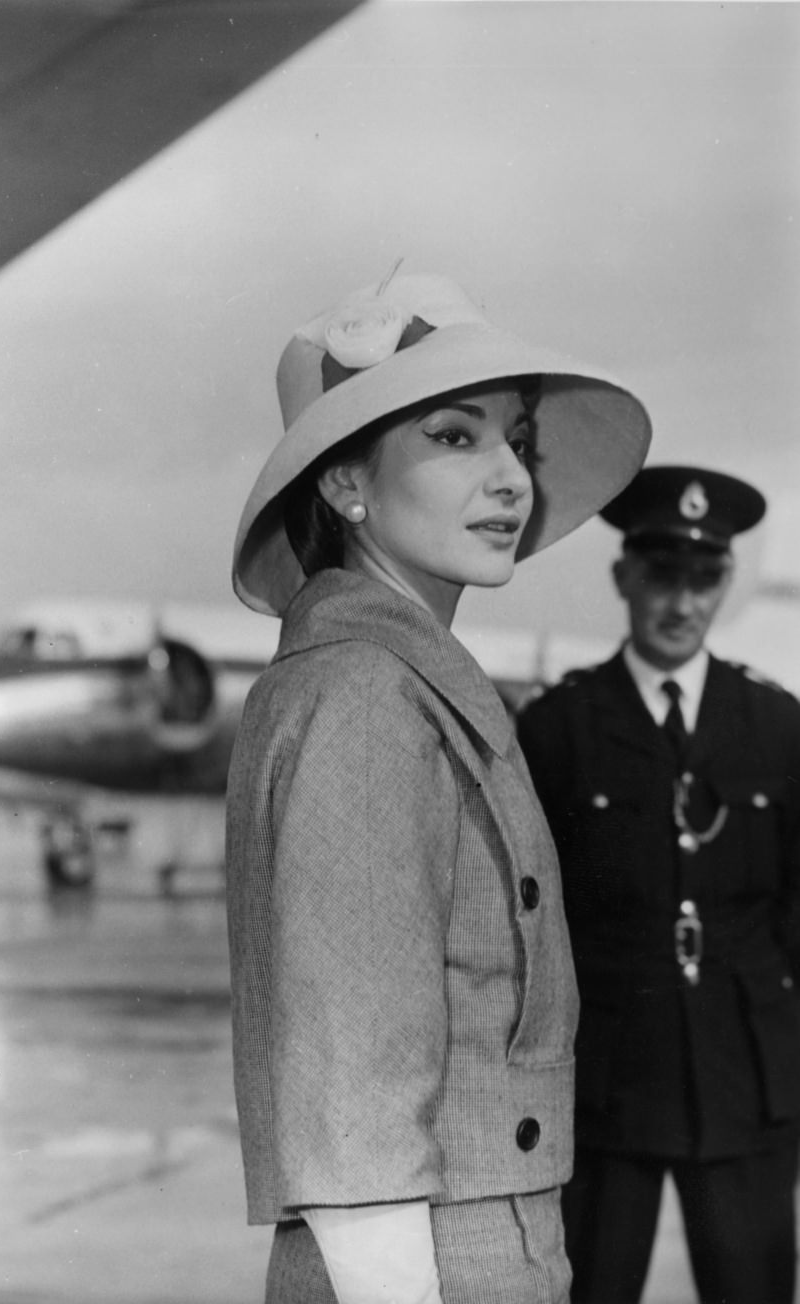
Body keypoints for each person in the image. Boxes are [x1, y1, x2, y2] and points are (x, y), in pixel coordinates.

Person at [224, 270, 651, 1304]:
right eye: (458, 437)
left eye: (517, 439)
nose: (513, 478)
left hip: (468, 1240)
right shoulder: (365, 696)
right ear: (344, 484)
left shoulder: (399, 679)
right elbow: (354, 1083)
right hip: (421, 1262)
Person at [517, 465, 800, 1304]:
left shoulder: (778, 726)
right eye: (662, 578)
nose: (682, 604)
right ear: (623, 578)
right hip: (606, 1084)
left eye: (704, 580)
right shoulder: (559, 728)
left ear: (726, 585)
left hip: (747, 1077)